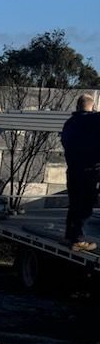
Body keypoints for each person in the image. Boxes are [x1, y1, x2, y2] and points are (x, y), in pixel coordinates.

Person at [61, 93, 100, 252]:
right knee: (85, 206)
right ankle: (78, 240)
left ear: (77, 106)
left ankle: (69, 236)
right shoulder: (95, 120)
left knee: (74, 203)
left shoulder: (69, 123)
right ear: (93, 106)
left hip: (72, 169)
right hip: (90, 170)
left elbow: (65, 142)